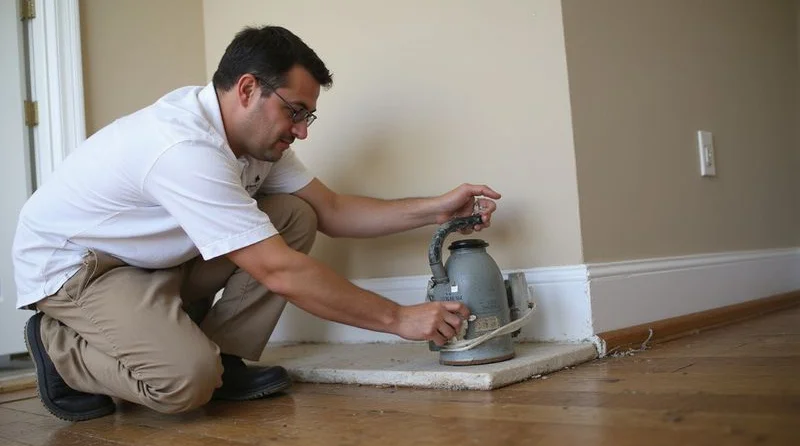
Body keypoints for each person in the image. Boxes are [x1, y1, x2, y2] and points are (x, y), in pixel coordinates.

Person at [12, 26, 499, 422]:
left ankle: (224, 358)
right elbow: (278, 271)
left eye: (309, 116)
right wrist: (399, 318)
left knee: (294, 214)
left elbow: (330, 211)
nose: (302, 130)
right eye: (295, 111)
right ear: (247, 89)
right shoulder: (183, 149)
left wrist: (437, 209)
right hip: (79, 269)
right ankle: (59, 348)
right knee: (184, 384)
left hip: (148, 261)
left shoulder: (254, 142)